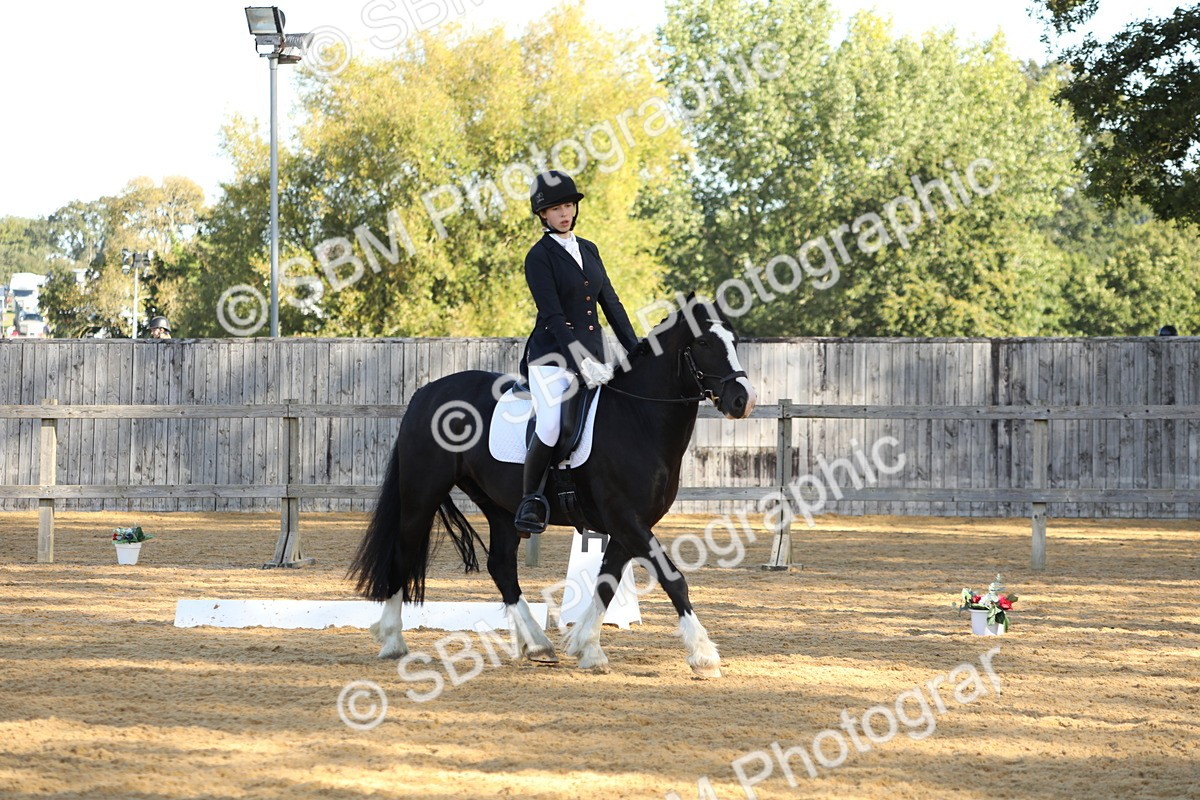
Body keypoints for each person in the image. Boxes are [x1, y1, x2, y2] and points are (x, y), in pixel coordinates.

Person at [513, 170, 640, 534]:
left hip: (594, 358)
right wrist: (579, 362)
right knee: (553, 424)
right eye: (555, 208)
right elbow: (553, 316)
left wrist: (636, 350)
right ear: (542, 215)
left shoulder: (589, 248)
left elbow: (611, 304)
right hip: (552, 357)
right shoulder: (538, 257)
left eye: (568, 205)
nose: (564, 213)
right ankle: (530, 502)